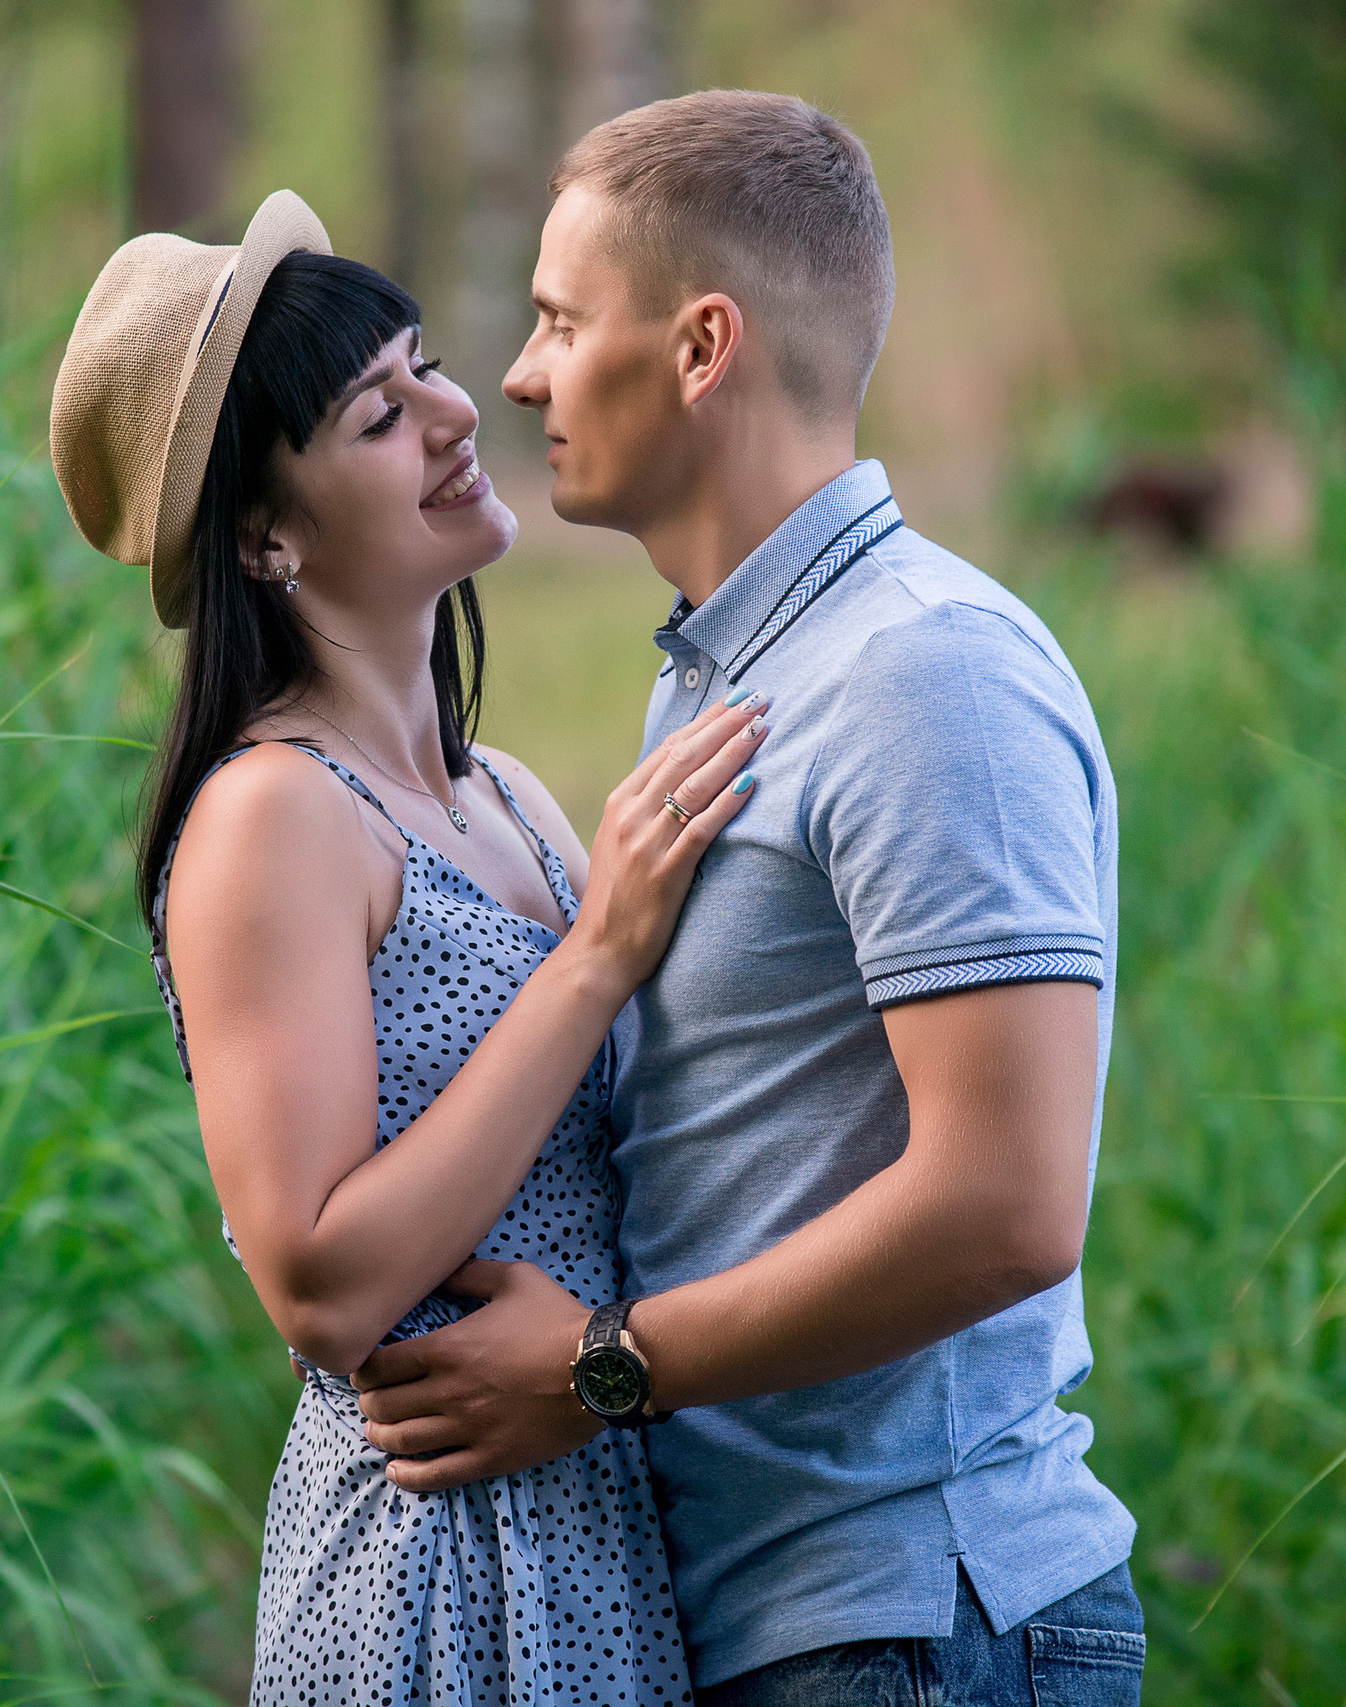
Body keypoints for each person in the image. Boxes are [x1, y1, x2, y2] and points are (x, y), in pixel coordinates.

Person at [348, 92, 1146, 1706]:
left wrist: (599, 1371)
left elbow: (1007, 1203)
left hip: (917, 1621)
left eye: (563, 321)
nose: (516, 375)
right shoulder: (739, 674)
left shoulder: (922, 673)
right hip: (794, 1623)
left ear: (702, 345)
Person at [48, 189, 758, 1703]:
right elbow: (318, 1283)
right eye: (379, 413)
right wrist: (595, 961)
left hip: (601, 1518)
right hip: (439, 1570)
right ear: (264, 535)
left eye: (426, 363)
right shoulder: (272, 817)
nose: (453, 411)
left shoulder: (506, 797)